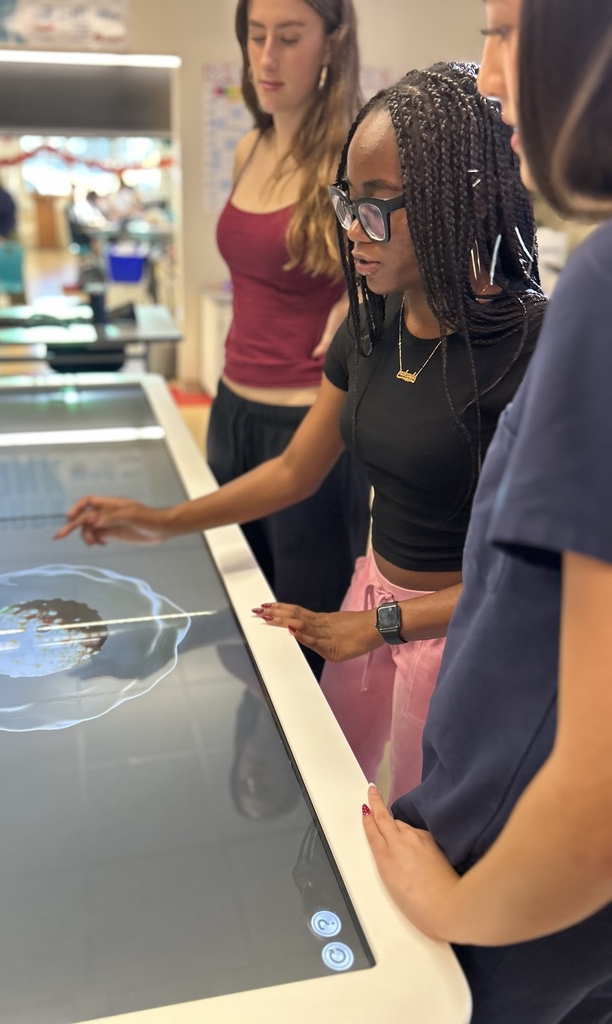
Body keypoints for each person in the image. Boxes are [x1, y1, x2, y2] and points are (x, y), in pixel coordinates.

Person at [55, 60, 545, 802]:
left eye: (379, 206)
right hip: (371, 603)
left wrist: (386, 625)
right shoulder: (370, 322)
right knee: (333, 788)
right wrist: (163, 521)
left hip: (459, 633)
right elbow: (295, 471)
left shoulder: (534, 346)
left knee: (424, 825)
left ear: (465, 202)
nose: (353, 230)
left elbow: (535, 576)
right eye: (348, 200)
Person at [362, 2, 612, 1022]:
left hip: (526, 875)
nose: (491, 74)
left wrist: (463, 904)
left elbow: (594, 784)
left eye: (507, 33)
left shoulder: (596, 290)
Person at [209, 0, 371, 678]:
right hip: (230, 411)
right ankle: (254, 766)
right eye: (256, 36)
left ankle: (311, 782)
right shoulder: (250, 146)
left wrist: (361, 303)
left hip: (307, 426)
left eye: (290, 37)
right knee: (238, 616)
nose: (267, 58)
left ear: (331, 43)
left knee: (304, 637)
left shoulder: (355, 155)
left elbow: (411, 270)